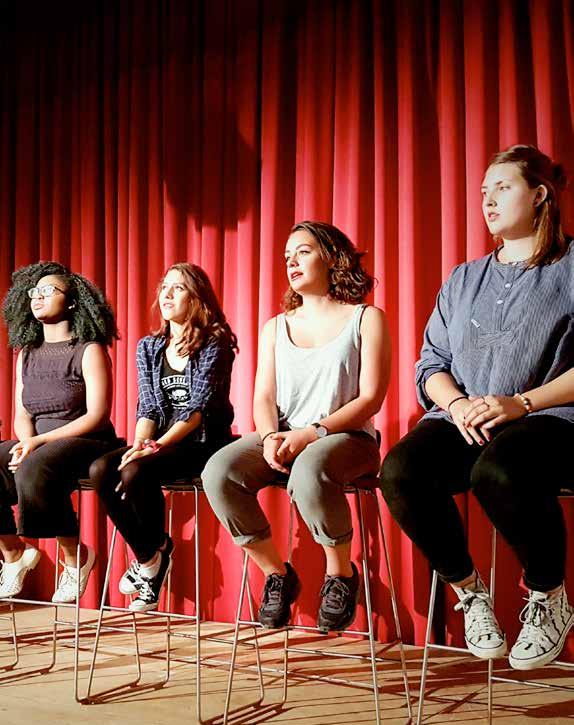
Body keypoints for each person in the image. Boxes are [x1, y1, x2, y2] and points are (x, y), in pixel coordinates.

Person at [380, 144, 574, 671]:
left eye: (502, 188)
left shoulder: (572, 266)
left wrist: (520, 402)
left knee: (501, 473)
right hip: (464, 418)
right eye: (483, 192)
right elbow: (431, 362)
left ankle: (548, 597)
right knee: (400, 472)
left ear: (539, 195)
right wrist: (459, 404)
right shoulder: (463, 278)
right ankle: (469, 592)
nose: (487, 200)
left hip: (548, 419)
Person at [202, 221, 390, 632]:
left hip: (347, 438)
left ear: (332, 257)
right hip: (285, 434)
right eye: (287, 255)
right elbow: (263, 398)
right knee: (219, 472)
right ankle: (277, 574)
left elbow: (370, 398)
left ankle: (340, 575)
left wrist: (312, 433)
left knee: (309, 469)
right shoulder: (276, 326)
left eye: (302, 251)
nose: (291, 260)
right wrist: (269, 436)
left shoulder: (366, 318)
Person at [90, 263, 237, 612]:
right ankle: (152, 555)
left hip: (202, 442)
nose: (167, 294)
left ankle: (150, 566)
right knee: (101, 470)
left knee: (135, 471)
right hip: (160, 440)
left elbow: (197, 409)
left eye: (179, 288)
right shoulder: (150, 347)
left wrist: (155, 447)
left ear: (196, 298)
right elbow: (149, 406)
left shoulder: (214, 343)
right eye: (165, 287)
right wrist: (141, 443)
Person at [0, 261, 119, 602]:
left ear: (70, 302)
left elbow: (97, 415)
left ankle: (76, 557)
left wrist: (35, 444)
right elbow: (22, 411)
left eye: (48, 290)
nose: (37, 296)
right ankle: (14, 554)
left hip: (87, 440)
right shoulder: (26, 354)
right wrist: (26, 442)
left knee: (35, 466)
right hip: (37, 442)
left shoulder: (88, 349)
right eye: (34, 291)